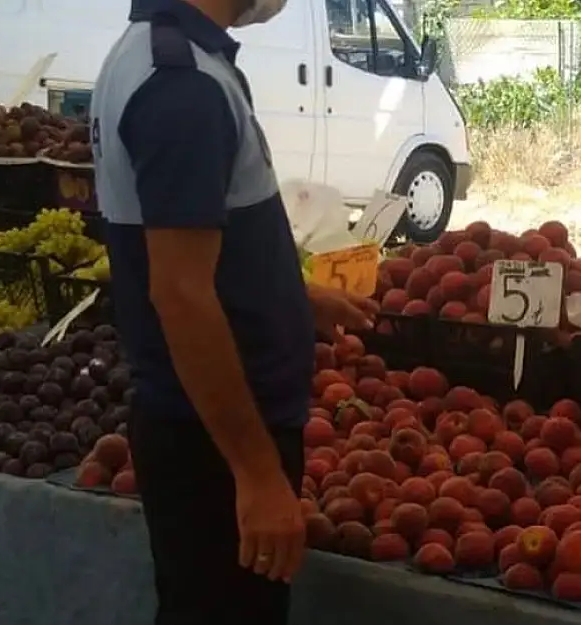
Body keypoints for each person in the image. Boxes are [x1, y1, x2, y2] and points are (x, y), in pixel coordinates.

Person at [89, 1, 376, 623]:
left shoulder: (160, 53)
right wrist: (255, 473)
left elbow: (192, 249)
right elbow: (181, 294)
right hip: (211, 445)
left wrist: (291, 297)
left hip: (201, 430)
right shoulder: (181, 86)